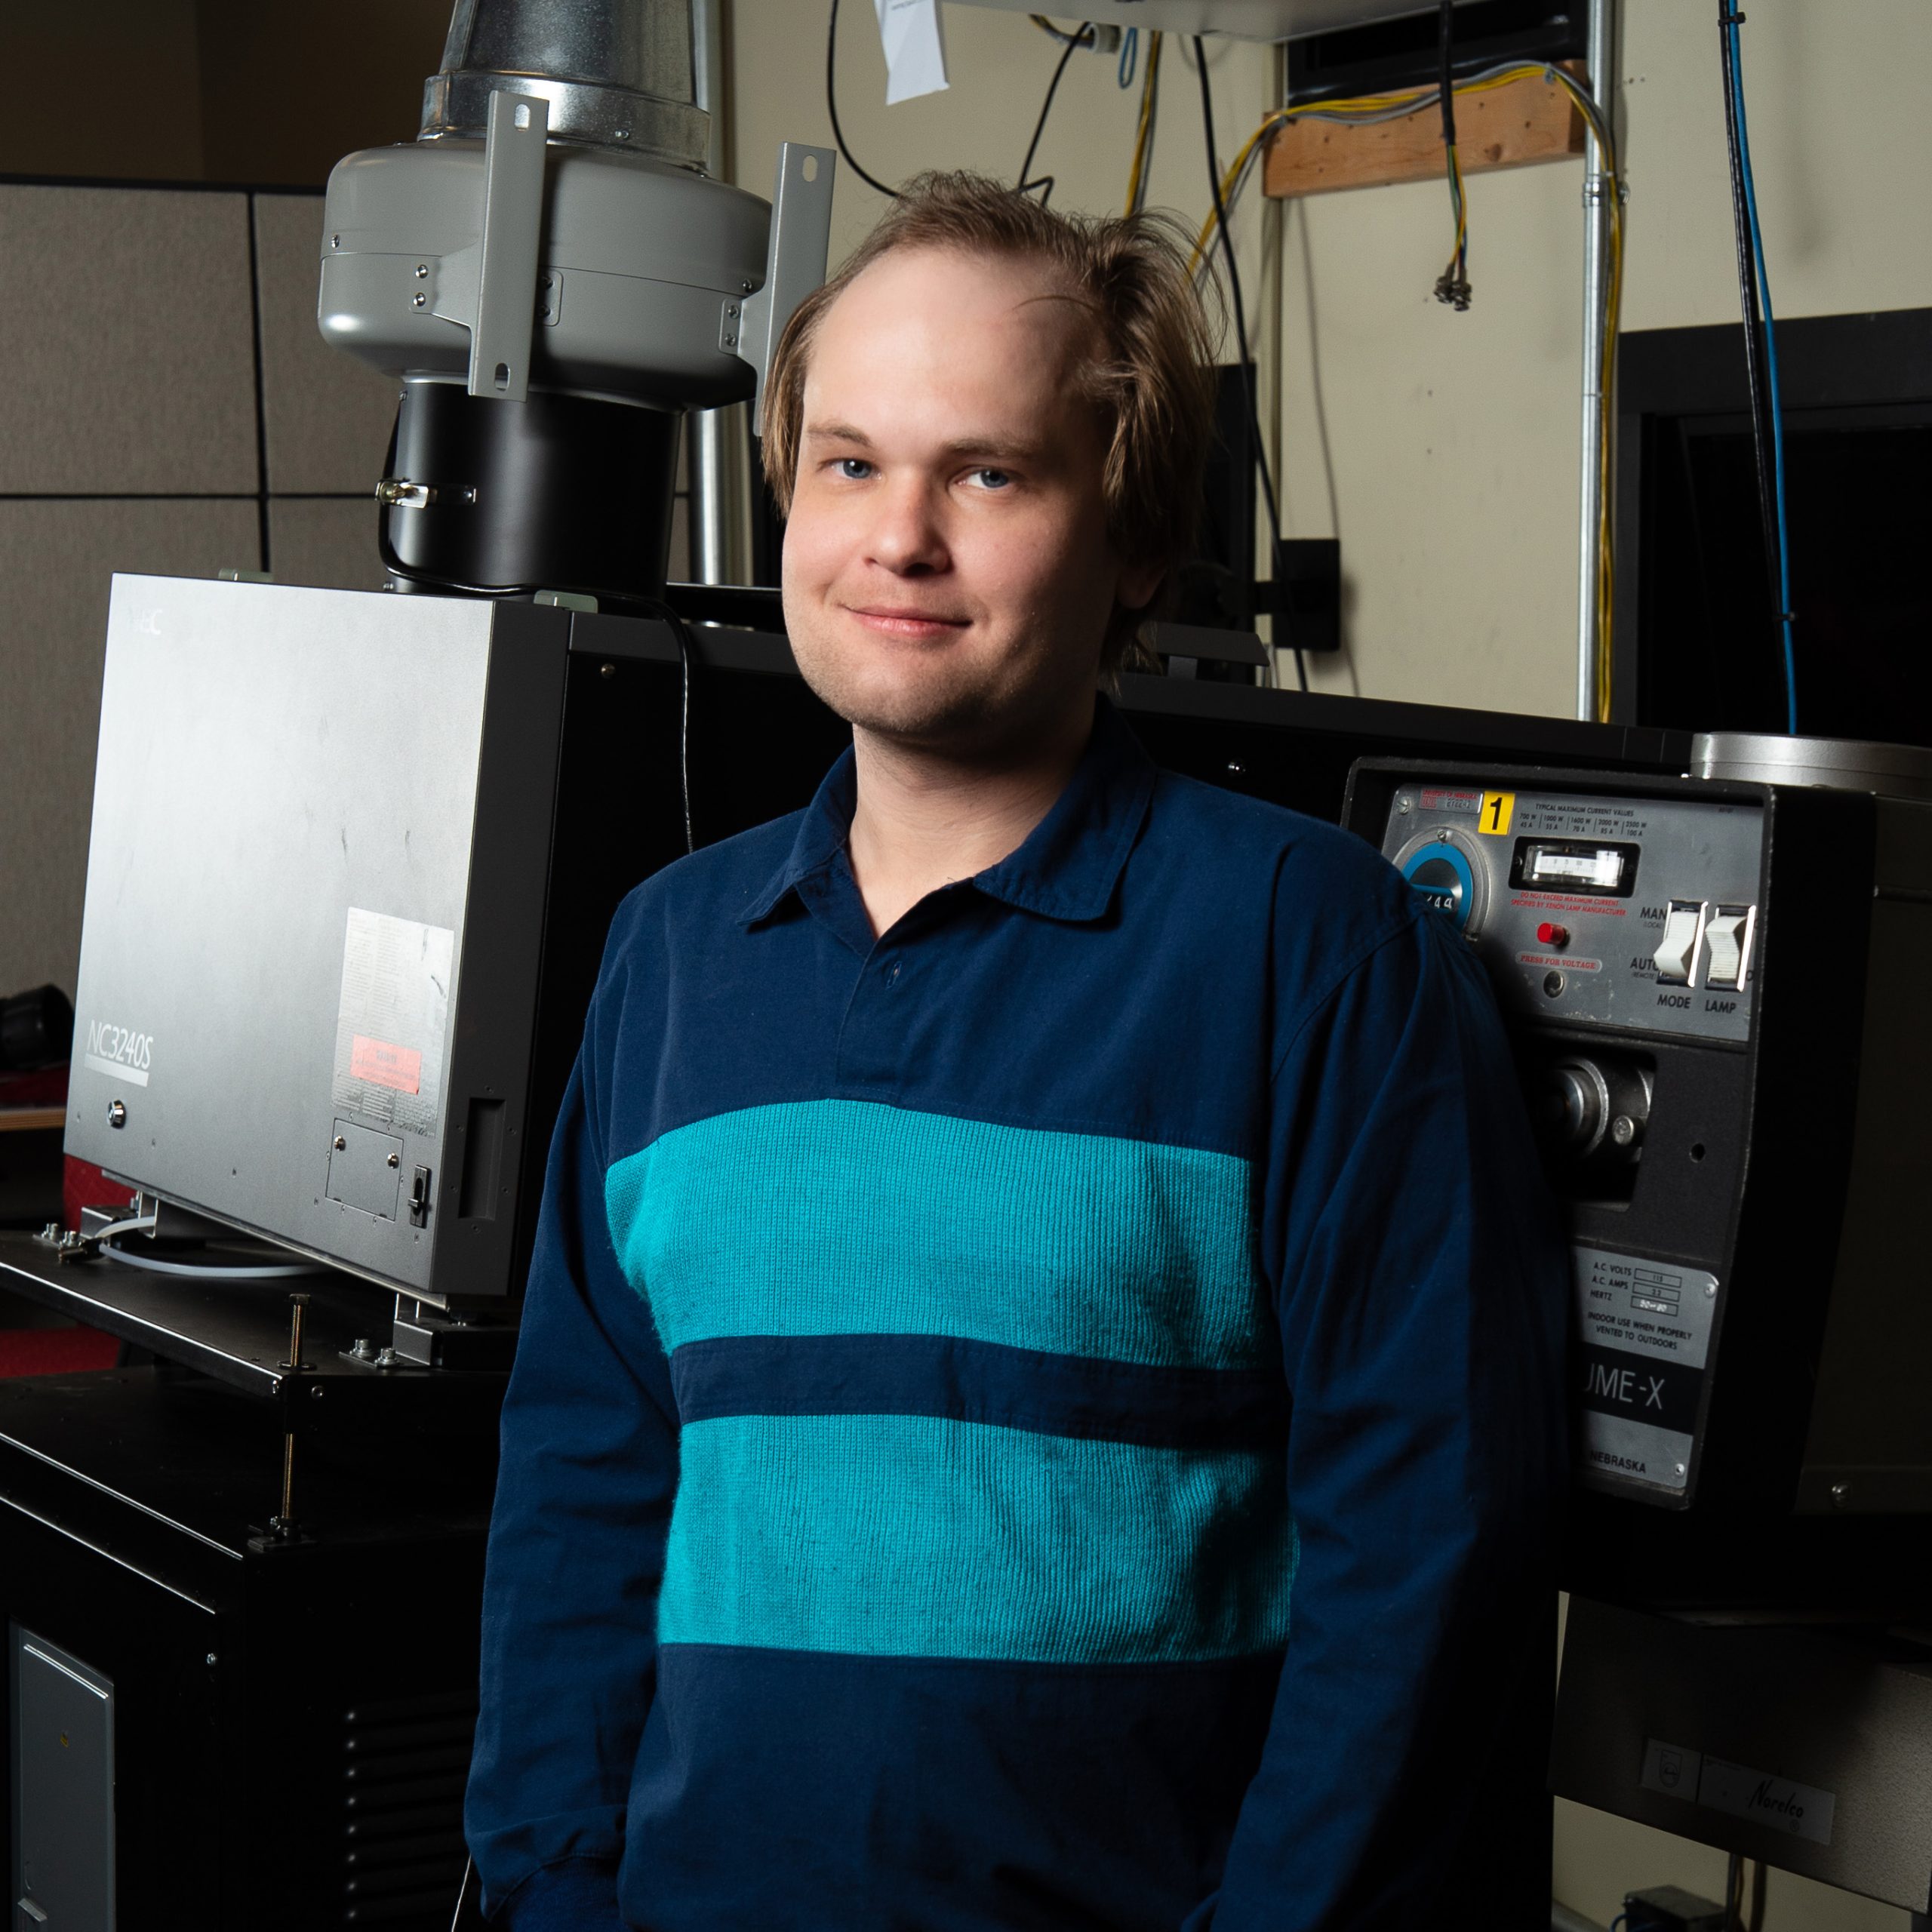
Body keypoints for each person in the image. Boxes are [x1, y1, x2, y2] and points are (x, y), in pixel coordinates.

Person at [465, 171, 1568, 1932]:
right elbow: (577, 1495)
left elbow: (1427, 1550)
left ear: (1130, 544)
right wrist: (555, 1898)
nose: (897, 537)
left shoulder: (1310, 948)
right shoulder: (671, 952)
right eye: (848, 463)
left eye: (985, 473)